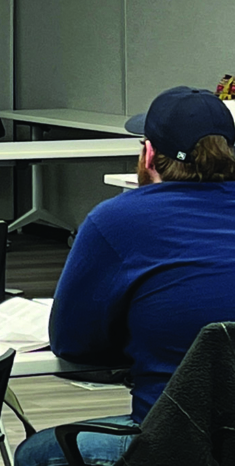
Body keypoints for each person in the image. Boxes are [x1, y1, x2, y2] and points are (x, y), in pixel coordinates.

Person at [14, 86, 235, 466]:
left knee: (36, 453)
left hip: (174, 443)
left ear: (148, 154)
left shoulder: (116, 220)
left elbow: (72, 342)